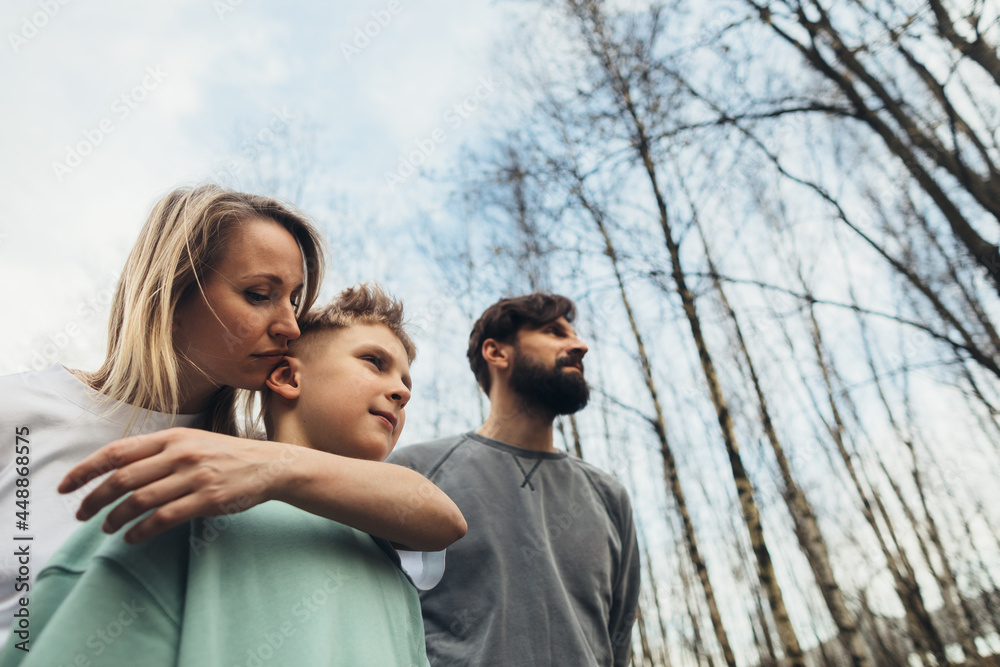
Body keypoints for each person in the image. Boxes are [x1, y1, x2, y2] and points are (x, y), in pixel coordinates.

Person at [0, 185, 460, 641]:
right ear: (171, 294)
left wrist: (272, 467)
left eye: (294, 300)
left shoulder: (247, 469)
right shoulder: (19, 407)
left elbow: (438, 518)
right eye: (259, 294)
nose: (291, 326)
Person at [388, 292, 642, 666]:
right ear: (496, 352)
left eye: (574, 334)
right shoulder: (416, 472)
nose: (581, 346)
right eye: (555, 332)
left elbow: (617, 645)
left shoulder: (610, 497)